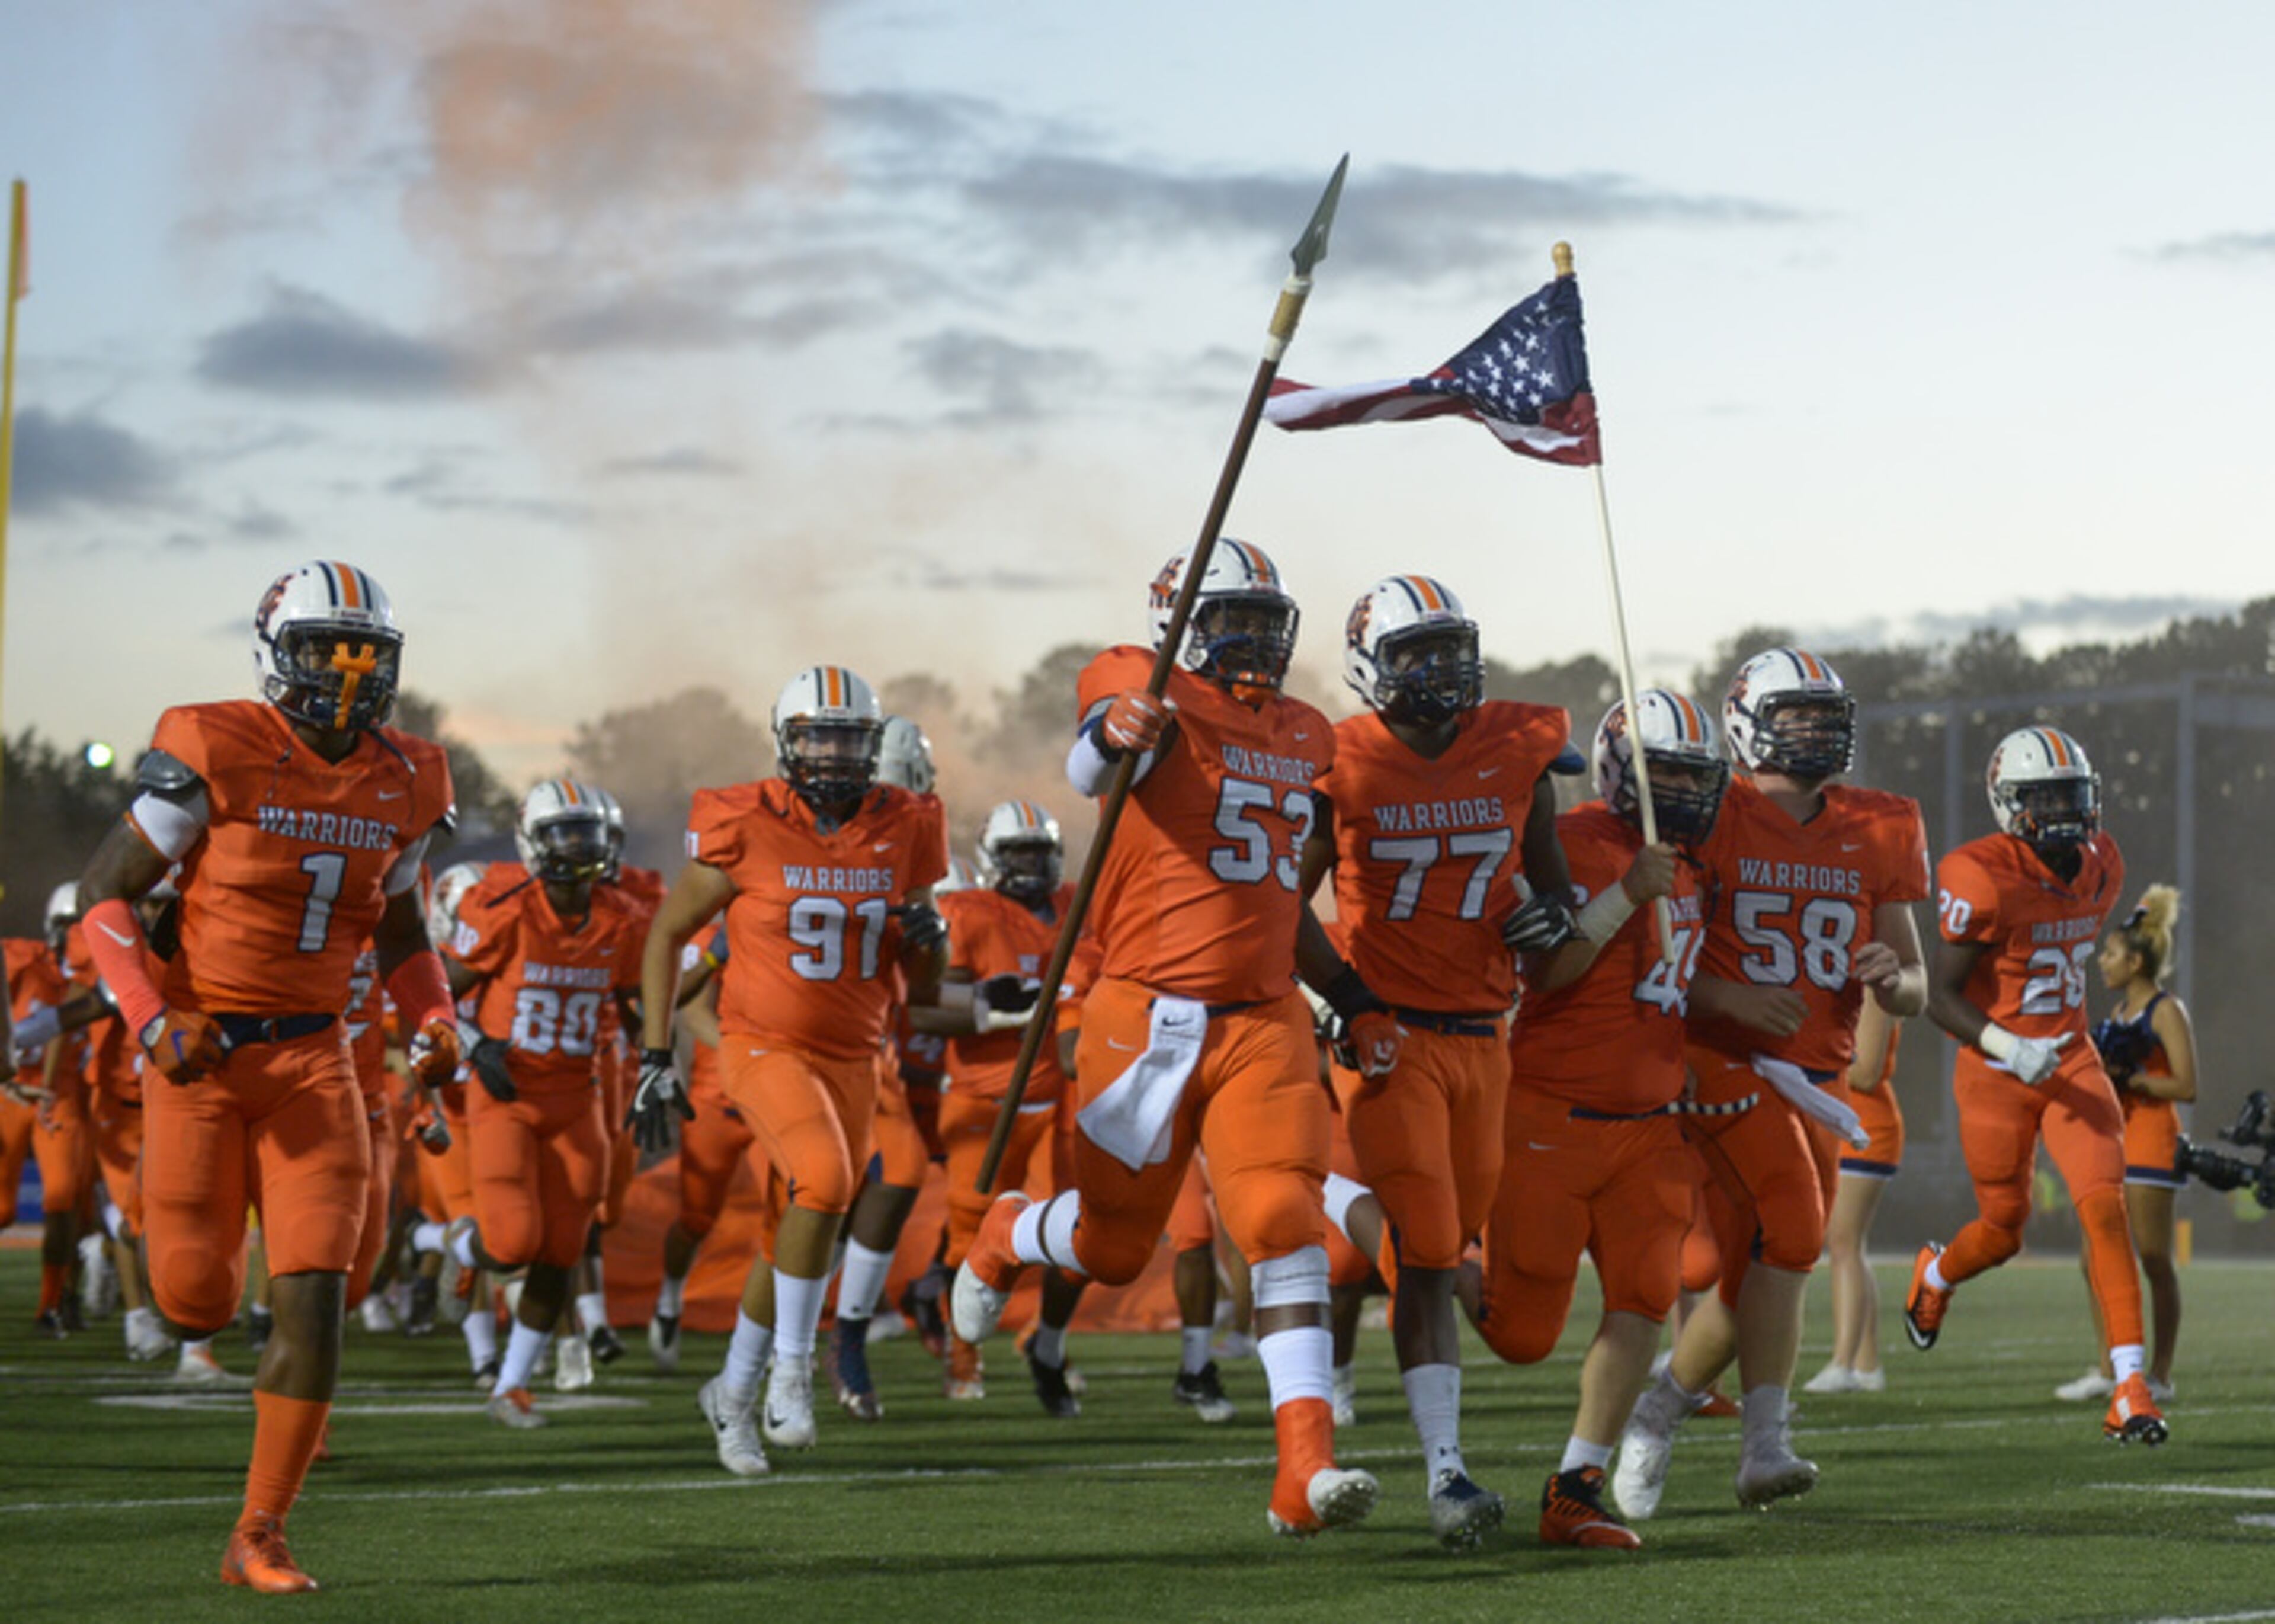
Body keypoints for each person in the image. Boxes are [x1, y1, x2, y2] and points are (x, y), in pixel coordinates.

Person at [953, 540, 1391, 1538]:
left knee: (1283, 1220)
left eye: (1263, 622)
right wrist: (1117, 731)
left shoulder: (1303, 730)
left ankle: (1304, 1470)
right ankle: (1007, 1234)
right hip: (1147, 1015)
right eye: (1228, 619)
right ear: (1178, 628)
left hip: (1264, 1017)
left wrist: (1352, 993)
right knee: (1113, 1251)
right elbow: (1092, 766)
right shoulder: (1137, 684)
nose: (1251, 641)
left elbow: (1284, 896)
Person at [75, 560, 463, 1592]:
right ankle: (185, 1302)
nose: (344, 676)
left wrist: (436, 1019)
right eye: (322, 652)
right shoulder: (218, 743)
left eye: (363, 655)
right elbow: (103, 900)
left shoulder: (411, 773)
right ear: (271, 653)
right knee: (196, 1301)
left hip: (316, 1058)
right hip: (199, 1052)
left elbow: (404, 931)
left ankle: (261, 1530)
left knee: (317, 1296)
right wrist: (154, 1017)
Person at [1296, 574, 1577, 1548]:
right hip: (1391, 1032)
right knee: (1426, 1246)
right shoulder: (1336, 762)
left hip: (1482, 1034)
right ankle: (1447, 1475)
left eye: (1450, 649)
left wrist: (1551, 920)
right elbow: (1280, 905)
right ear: (1372, 667)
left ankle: (1331, 1196)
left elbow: (1555, 896)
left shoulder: (1518, 751)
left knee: (1455, 1234)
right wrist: (1343, 998)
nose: (1440, 670)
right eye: (1417, 652)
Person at [1615, 648, 1928, 1520]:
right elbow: (1662, 955)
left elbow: (1916, 981)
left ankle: (1659, 1407)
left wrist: (1886, 978)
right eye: (1797, 715)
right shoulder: (1713, 811)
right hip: (1722, 1056)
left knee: (1762, 1267)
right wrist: (1734, 998)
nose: (1818, 732)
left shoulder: (1879, 823)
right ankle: (1764, 1445)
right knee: (1795, 1229)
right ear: (1751, 720)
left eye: (1828, 716)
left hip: (1817, 1073)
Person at [635, 665, 947, 1478]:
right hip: (764, 1043)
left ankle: (732, 1395)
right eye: (819, 736)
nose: (836, 754)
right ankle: (793, 1371)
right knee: (825, 1180)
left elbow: (932, 989)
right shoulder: (744, 821)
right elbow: (669, 936)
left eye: (851, 738)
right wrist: (657, 1051)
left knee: (801, 1227)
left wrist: (934, 936)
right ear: (787, 741)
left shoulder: (907, 823)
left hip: (855, 1055)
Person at [1466, 690, 1726, 1549]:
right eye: (1670, 772)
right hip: (1552, 1113)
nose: (1686, 789)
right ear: (1624, 771)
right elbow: (1549, 967)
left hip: (1648, 1123)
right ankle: (1430, 1258)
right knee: (1520, 1337)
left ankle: (1575, 1487)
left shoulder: (1692, 863)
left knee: (1644, 1297)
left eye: (1697, 773)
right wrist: (1624, 891)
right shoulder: (1574, 841)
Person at [1906, 726, 2166, 1444]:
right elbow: (1938, 993)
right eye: (2042, 795)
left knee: (2104, 1209)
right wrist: (2005, 1044)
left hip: (2071, 1059)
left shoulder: (2102, 861)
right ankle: (1936, 1275)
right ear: (2006, 802)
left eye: (2070, 793)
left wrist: (2046, 1045)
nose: (2061, 809)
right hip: (1993, 1071)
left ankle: (2131, 1386)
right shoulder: (1979, 875)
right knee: (2002, 1230)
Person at [441, 781, 647, 1428]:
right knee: (513, 1241)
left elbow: (637, 1001)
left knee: (563, 1246)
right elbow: (439, 992)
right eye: (564, 834)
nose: (579, 848)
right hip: (508, 1092)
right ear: (533, 841)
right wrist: (474, 1045)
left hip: (577, 1096)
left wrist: (657, 1064)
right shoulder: (503, 907)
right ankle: (462, 1245)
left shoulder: (624, 917)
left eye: (589, 833)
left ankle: (511, 1384)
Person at [909, 797, 1077, 1405]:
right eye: (1019, 853)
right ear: (991, 859)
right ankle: (964, 1352)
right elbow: (923, 1005)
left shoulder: (1076, 907)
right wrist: (989, 1008)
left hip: (1064, 1104)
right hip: (986, 1103)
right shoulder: (967, 913)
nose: (1032, 866)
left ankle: (1048, 1340)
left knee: (1075, 1230)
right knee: (966, 1238)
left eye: (1040, 852)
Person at [2053, 885, 2197, 1404]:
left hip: (2153, 1144)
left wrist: (2133, 1080)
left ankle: (2160, 1371)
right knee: (2095, 1255)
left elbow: (2186, 1084)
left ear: (2136, 961)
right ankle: (2109, 1364)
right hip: (2113, 1142)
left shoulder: (2165, 1010)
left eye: (2112, 954)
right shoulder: (2115, 1012)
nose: (2103, 962)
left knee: (2155, 1257)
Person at [1802, 1000, 1903, 1394]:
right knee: (1850, 1245)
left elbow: (1865, 1072)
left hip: (1864, 1126)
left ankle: (1842, 1363)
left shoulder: (1875, 993)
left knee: (1843, 1243)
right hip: (1839, 1122)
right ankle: (1866, 1364)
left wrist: (1807, 1051)